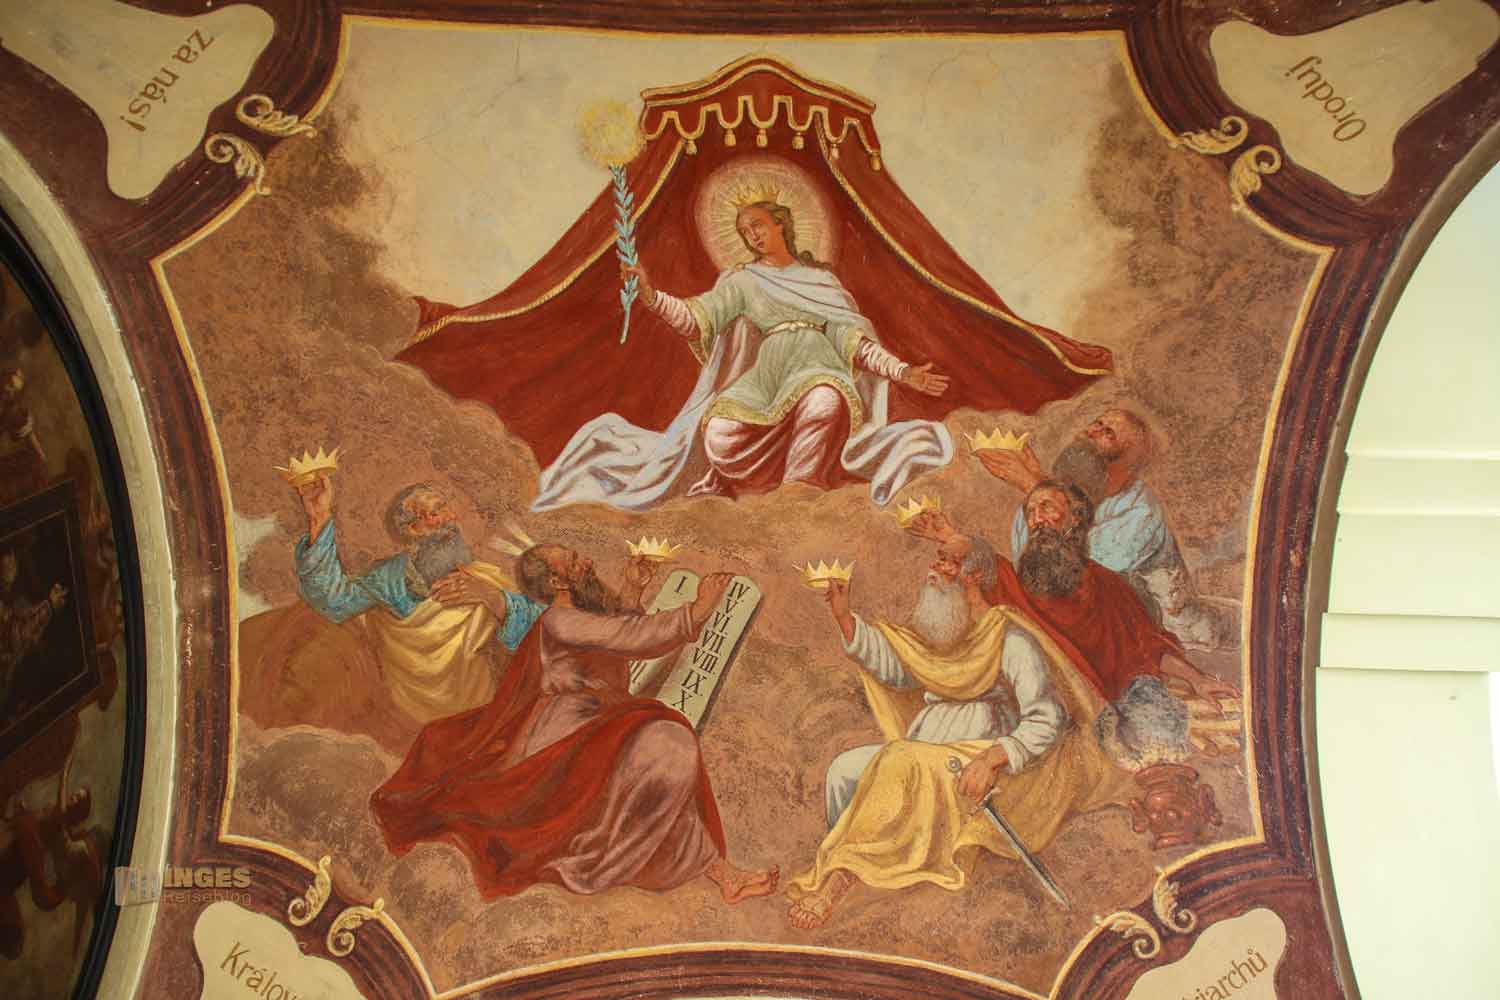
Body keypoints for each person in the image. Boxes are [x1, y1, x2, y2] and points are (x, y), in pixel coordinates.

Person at [371, 542, 779, 902]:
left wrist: (632, 589)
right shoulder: (559, 620)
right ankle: (592, 862)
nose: (586, 562)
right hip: (562, 744)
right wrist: (698, 610)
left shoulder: (578, 617)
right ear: (556, 582)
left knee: (664, 751)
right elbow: (628, 637)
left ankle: (722, 875)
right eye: (573, 561)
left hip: (594, 728)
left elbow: (614, 640)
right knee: (665, 745)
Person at [785, 533, 1124, 929]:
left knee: (900, 759)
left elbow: (1046, 717)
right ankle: (855, 860)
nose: (934, 568)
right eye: (937, 558)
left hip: (980, 761)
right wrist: (845, 617)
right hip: (924, 748)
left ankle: (841, 878)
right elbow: (899, 671)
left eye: (947, 561)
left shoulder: (1009, 638)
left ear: (974, 575)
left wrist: (993, 757)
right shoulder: (946, 634)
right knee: (845, 770)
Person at [533, 199, 953, 509]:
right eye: (744, 231)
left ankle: (797, 493)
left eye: (757, 225)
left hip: (818, 366)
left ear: (780, 223)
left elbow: (854, 342)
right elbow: (698, 319)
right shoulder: (743, 280)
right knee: (718, 432)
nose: (751, 235)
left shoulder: (821, 281)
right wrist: (651, 296)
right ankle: (754, 486)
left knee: (823, 401)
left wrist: (903, 372)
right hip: (767, 378)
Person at [906, 482, 1236, 705]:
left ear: (1074, 519)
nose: (1036, 519)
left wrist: (1196, 679)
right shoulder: (1022, 586)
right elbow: (988, 567)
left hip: (1102, 702)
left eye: (1046, 508)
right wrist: (949, 536)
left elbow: (1146, 647)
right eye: (1030, 513)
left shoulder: (1105, 584)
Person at [290, 475, 547, 725]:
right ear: (413, 529)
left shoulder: (483, 577)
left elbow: (542, 628)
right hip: (414, 715)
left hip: (488, 711)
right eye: (435, 513)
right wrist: (318, 518)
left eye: (446, 508)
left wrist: (492, 598)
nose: (451, 518)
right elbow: (334, 602)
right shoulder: (390, 580)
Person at [977, 408, 1187, 619]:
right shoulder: (1059, 495)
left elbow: (1075, 578)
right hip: (1070, 618)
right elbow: (1031, 567)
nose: (1091, 431)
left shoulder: (1140, 514)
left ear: (1127, 465)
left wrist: (1035, 486)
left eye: (1109, 434)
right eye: (1097, 423)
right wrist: (1041, 486)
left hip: (1140, 623)